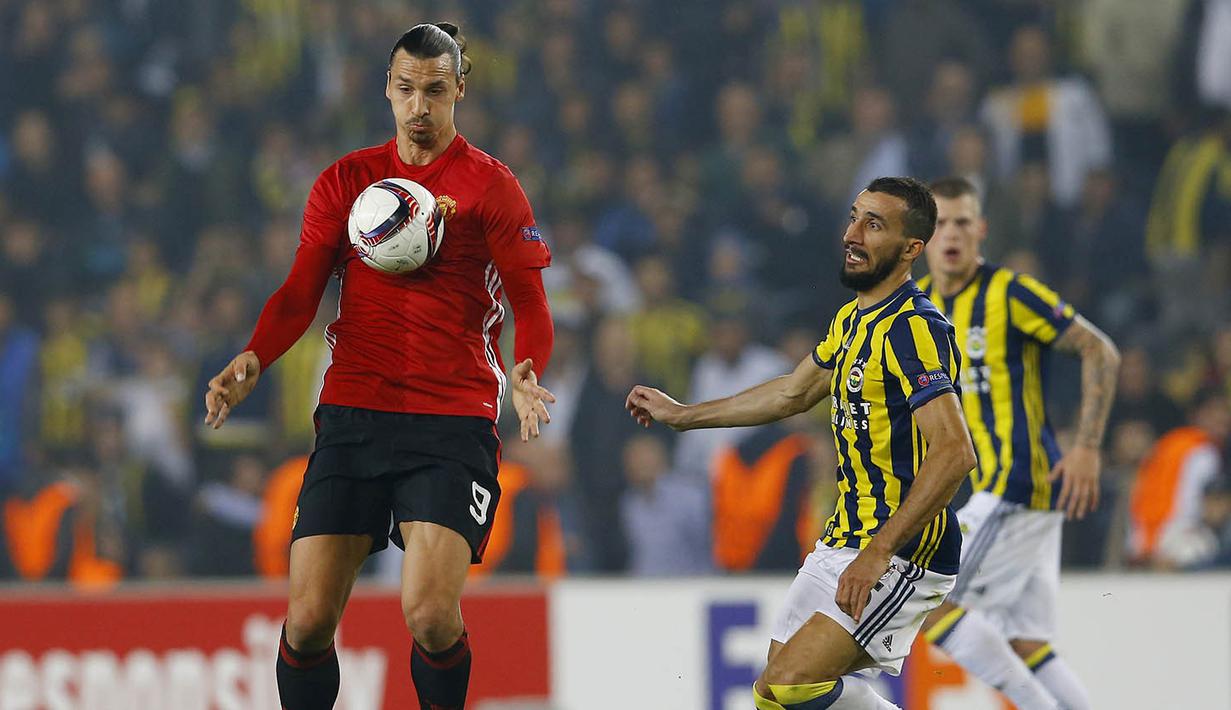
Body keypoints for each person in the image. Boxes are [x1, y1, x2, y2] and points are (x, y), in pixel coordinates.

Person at [202, 23, 555, 710]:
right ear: (386, 92)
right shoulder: (346, 181)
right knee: (305, 624)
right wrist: (254, 354)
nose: (418, 106)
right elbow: (300, 290)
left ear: (459, 88)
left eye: (433, 90)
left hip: (449, 421)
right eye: (404, 90)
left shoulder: (492, 188)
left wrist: (525, 368)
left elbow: (529, 303)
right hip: (353, 414)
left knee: (427, 614)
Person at [628, 177, 975, 709]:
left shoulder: (915, 329)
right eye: (855, 217)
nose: (853, 234)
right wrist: (684, 415)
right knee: (775, 695)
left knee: (790, 684)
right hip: (844, 537)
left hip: (902, 549)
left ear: (911, 250)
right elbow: (793, 392)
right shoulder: (853, 320)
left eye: (874, 225)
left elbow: (955, 453)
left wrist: (879, 552)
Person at [917, 177, 1121, 710]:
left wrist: (1087, 446)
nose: (952, 233)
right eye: (939, 223)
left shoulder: (1010, 292)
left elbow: (1100, 351)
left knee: (927, 601)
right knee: (1027, 642)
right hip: (1005, 488)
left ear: (981, 230)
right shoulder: (920, 308)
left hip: (1019, 482)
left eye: (963, 221)